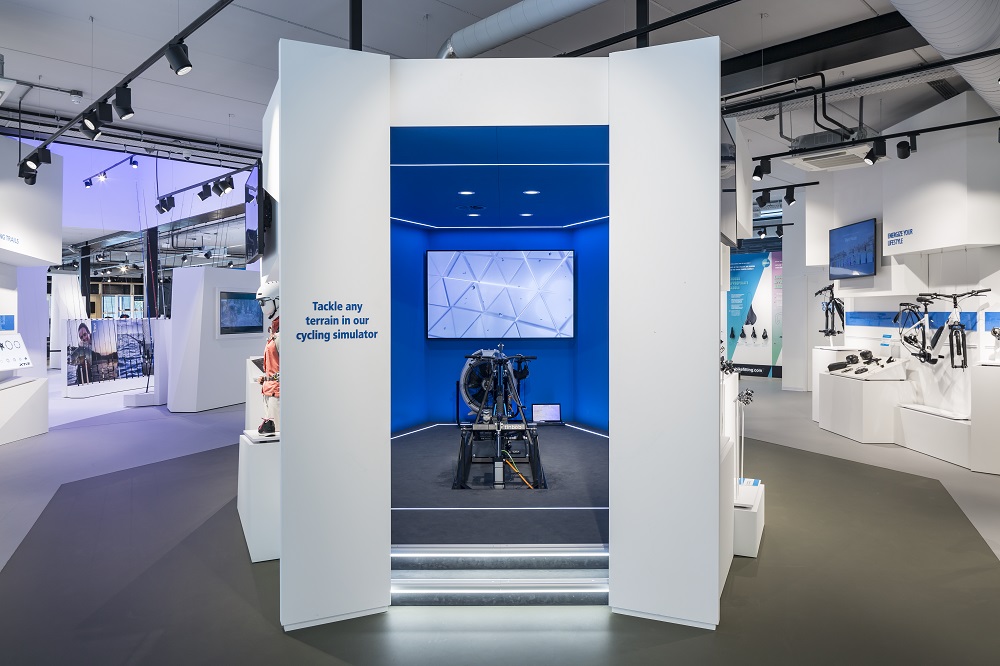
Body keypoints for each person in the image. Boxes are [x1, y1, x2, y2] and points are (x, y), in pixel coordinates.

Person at [255, 280, 280, 435]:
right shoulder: (274, 329)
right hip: (270, 392)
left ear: (277, 300)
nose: (261, 306)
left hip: (278, 395)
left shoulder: (285, 332)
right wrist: (266, 378)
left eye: (263, 302)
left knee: (279, 437)